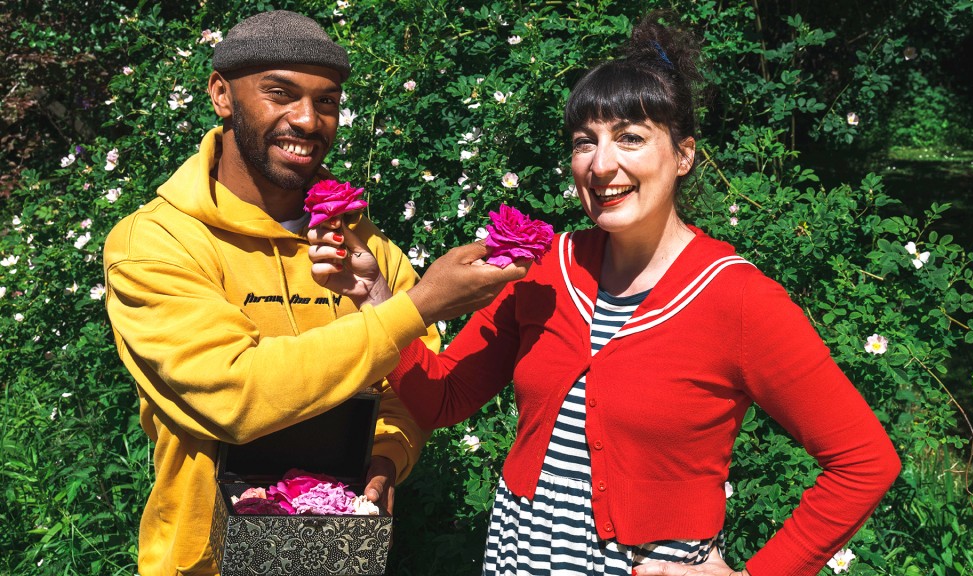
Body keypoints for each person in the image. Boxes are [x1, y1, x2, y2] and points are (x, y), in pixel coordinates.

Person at [308, 12, 901, 576]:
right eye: (584, 141)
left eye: (631, 138)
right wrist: (375, 295)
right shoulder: (544, 269)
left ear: (684, 155)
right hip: (524, 551)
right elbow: (443, 401)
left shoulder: (738, 299)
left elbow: (864, 462)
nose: (601, 164)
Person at [103, 10, 526, 575]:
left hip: (341, 555)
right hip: (203, 561)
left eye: (326, 101)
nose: (307, 119)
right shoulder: (155, 244)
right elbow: (236, 397)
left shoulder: (365, 247)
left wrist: (385, 456)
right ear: (221, 94)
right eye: (280, 93)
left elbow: (409, 389)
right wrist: (414, 305)